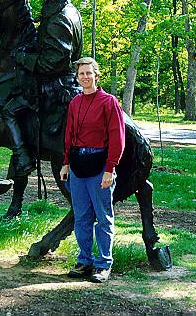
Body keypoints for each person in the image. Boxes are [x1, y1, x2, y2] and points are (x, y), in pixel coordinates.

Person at [4, 0, 83, 177]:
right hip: (60, 78)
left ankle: (23, 156)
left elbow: (53, 61)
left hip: (54, 83)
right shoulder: (67, 11)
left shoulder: (60, 18)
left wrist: (23, 58)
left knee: (9, 111)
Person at [60, 57, 125, 283]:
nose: (85, 78)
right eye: (81, 74)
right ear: (77, 78)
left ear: (96, 76)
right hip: (78, 167)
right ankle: (84, 260)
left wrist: (110, 169)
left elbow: (118, 138)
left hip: (100, 167)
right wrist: (66, 163)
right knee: (82, 217)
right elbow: (69, 135)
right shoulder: (75, 103)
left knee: (103, 218)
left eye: (89, 73)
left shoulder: (109, 102)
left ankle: (103, 264)